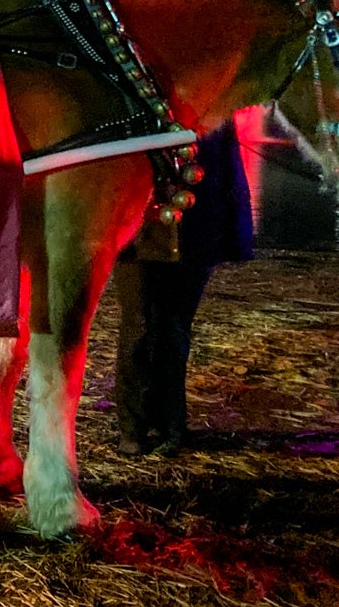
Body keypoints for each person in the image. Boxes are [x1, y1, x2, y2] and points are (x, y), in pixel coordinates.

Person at [112, 114, 255, 455]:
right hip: (141, 230)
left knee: (174, 330)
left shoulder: (214, 108)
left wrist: (229, 233)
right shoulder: (139, 100)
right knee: (140, 327)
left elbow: (225, 172)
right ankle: (132, 429)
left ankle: (171, 426)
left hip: (194, 231)